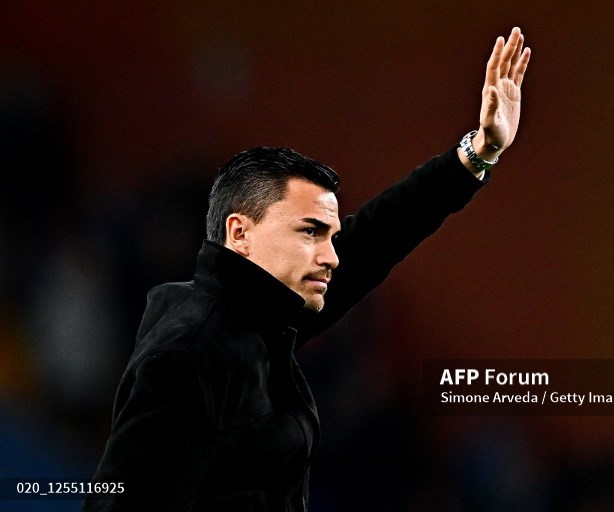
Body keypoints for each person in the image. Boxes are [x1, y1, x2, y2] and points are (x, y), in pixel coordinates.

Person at [83, 27, 531, 512]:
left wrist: (478, 153)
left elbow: (375, 239)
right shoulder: (188, 354)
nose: (331, 255)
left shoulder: (256, 317)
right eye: (310, 232)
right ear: (240, 233)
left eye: (330, 236)